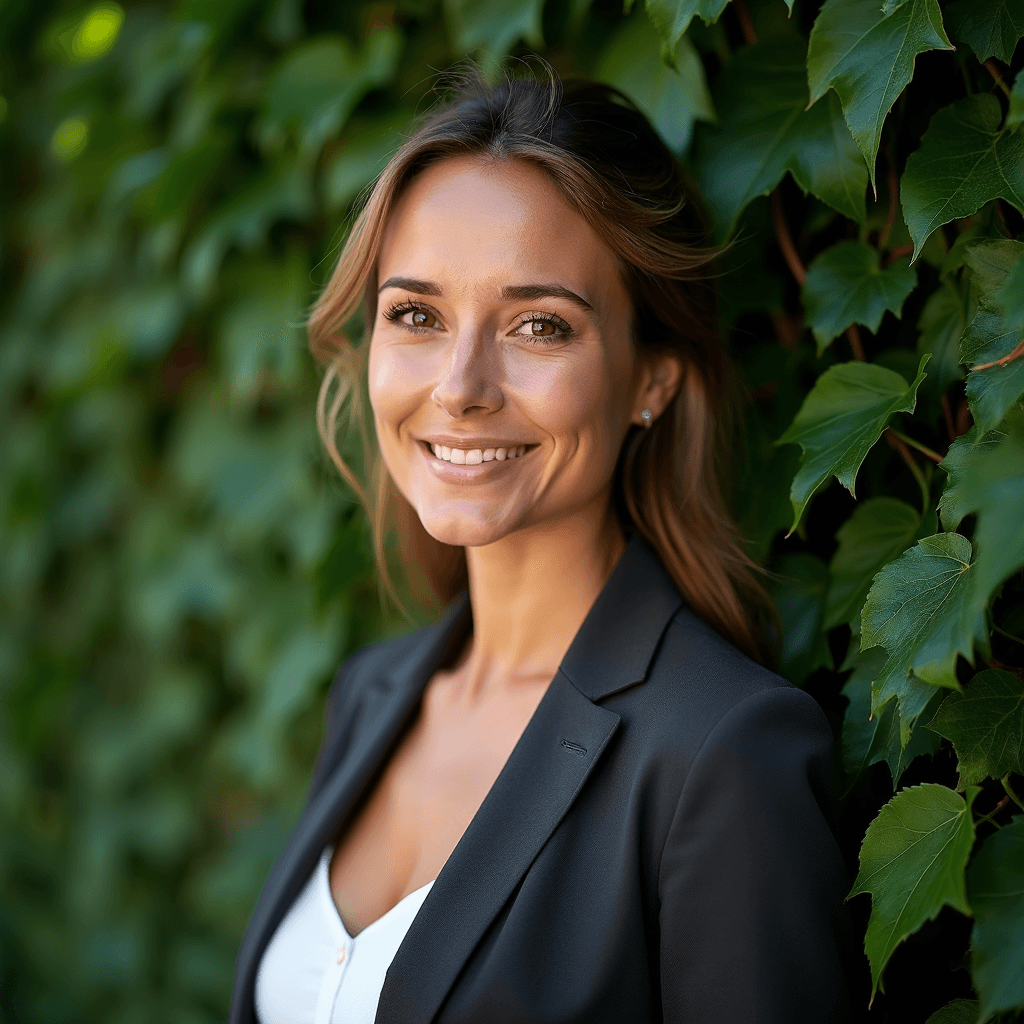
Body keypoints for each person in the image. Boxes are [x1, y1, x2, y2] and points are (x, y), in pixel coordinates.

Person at [230, 67, 856, 1024]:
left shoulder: (721, 754)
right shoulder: (373, 694)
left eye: (539, 325)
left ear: (652, 381)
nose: (461, 386)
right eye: (416, 315)